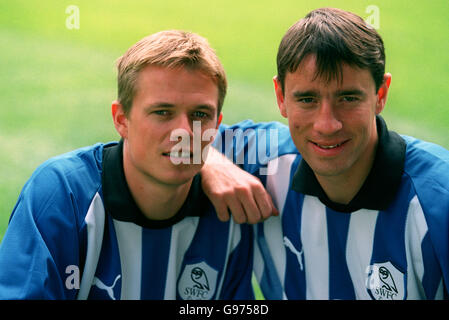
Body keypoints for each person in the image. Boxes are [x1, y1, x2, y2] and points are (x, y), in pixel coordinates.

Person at [202, 7, 449, 300]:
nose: (327, 124)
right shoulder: (262, 157)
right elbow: (157, 140)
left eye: (348, 98)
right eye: (307, 99)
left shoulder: (438, 199)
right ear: (280, 97)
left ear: (380, 95)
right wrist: (208, 161)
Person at [0, 30, 257, 300]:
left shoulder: (229, 209)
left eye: (200, 115)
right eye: (162, 112)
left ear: (216, 125)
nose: (185, 132)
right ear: (121, 119)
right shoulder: (62, 194)